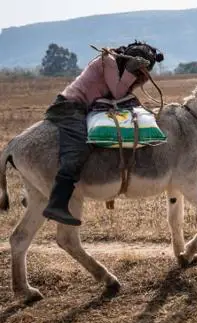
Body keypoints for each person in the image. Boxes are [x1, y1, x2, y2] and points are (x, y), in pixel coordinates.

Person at [42, 41, 164, 226]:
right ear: (128, 61)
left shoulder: (114, 64)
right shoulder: (109, 61)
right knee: (78, 149)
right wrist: (131, 72)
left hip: (84, 108)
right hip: (69, 107)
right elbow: (117, 93)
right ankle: (57, 203)